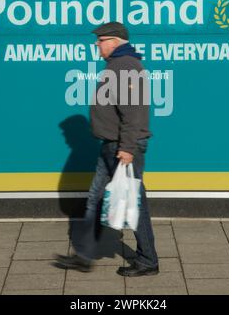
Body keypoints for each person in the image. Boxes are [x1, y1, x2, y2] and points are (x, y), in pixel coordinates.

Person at [53, 22, 159, 277]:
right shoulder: (117, 66)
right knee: (96, 198)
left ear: (114, 40)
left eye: (100, 41)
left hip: (121, 148)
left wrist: (128, 148)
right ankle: (84, 256)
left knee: (133, 202)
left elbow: (134, 112)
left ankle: (148, 260)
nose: (96, 45)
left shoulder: (126, 67)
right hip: (111, 146)